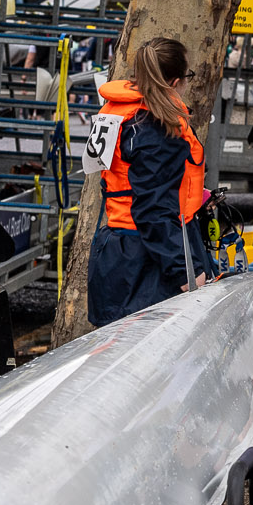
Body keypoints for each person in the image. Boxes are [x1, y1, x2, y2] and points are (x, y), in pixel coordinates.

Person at [87, 37, 217, 325]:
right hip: (148, 262)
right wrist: (188, 272)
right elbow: (153, 211)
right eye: (187, 77)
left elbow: (123, 181)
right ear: (174, 82)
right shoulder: (158, 130)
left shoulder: (117, 113)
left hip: (113, 251)